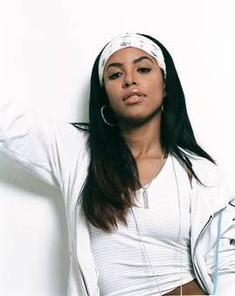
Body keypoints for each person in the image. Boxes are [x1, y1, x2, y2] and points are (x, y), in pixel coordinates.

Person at [0, 32, 235, 296]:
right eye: (114, 75)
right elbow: (8, 123)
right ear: (105, 97)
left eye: (143, 69)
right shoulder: (75, 151)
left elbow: (226, 266)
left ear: (166, 86)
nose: (130, 80)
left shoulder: (201, 172)